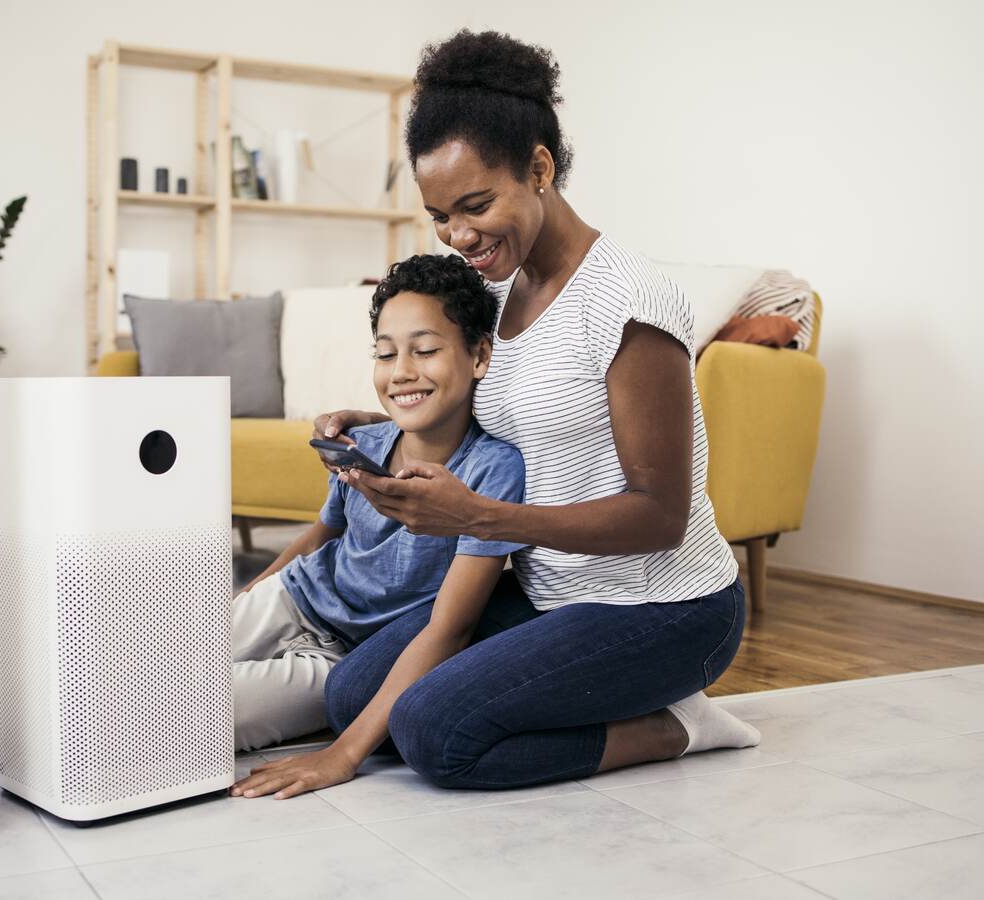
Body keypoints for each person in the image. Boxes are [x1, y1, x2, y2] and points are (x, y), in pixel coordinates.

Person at [239, 29, 761, 800]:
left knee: (434, 736)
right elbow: (464, 394)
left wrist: (481, 519)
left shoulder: (630, 307)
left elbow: (660, 516)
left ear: (540, 167)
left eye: (476, 205)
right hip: (546, 590)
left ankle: (677, 725)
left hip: (661, 607)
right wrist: (372, 420)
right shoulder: (493, 293)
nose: (459, 236)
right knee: (353, 693)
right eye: (440, 215)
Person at [226, 254, 526, 783]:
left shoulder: (493, 471)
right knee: (160, 655)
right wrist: (251, 597)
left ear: (479, 354)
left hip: (345, 659)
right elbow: (324, 534)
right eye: (385, 354)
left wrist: (343, 756)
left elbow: (451, 627)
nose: (402, 371)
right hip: (294, 600)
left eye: (426, 350)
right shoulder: (361, 443)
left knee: (195, 711)